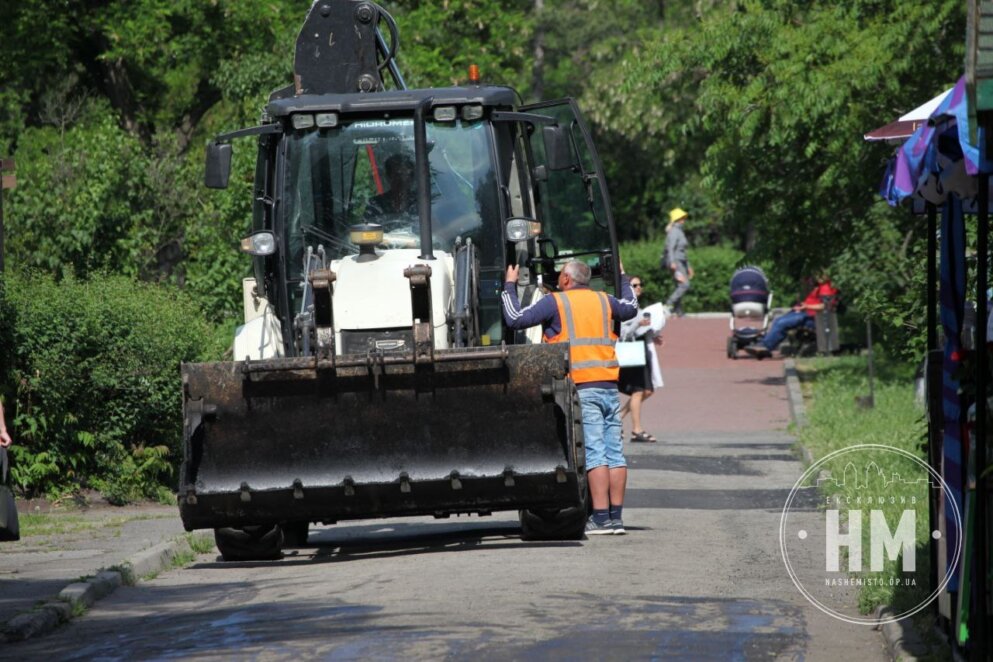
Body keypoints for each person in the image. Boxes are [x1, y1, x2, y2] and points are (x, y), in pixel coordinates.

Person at [502, 260, 638, 535]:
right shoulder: (604, 300)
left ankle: (600, 518)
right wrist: (622, 276)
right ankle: (615, 518)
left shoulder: (556, 303)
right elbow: (631, 307)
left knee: (595, 453)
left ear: (566, 278)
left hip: (582, 387)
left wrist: (509, 285)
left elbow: (515, 318)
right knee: (615, 454)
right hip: (609, 386)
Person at [746, 272, 838, 357]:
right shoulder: (819, 286)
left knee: (782, 323)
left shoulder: (826, 288)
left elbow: (825, 306)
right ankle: (764, 344)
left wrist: (806, 306)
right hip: (806, 313)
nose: (816, 277)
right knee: (778, 320)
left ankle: (766, 346)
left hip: (814, 318)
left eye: (819, 275)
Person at [618, 277, 665, 443]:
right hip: (632, 352)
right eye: (634, 285)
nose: (638, 288)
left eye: (640, 285)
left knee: (648, 390)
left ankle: (619, 417)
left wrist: (652, 334)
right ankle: (637, 430)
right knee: (638, 390)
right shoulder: (625, 307)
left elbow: (639, 329)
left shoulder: (638, 308)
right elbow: (624, 333)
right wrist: (638, 324)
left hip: (642, 351)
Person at [364, 153, 417, 220]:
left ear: (412, 178)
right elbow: (368, 227)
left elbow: (432, 226)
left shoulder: (421, 203)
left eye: (407, 175)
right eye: (398, 175)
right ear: (388, 177)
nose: (403, 180)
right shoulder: (376, 204)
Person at [663, 207, 693, 316]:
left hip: (681, 262)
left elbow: (683, 252)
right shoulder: (674, 231)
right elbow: (670, 248)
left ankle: (678, 311)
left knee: (679, 285)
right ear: (677, 219)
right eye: (682, 218)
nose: (684, 220)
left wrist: (688, 266)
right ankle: (668, 305)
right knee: (685, 284)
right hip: (676, 262)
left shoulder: (679, 231)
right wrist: (672, 262)